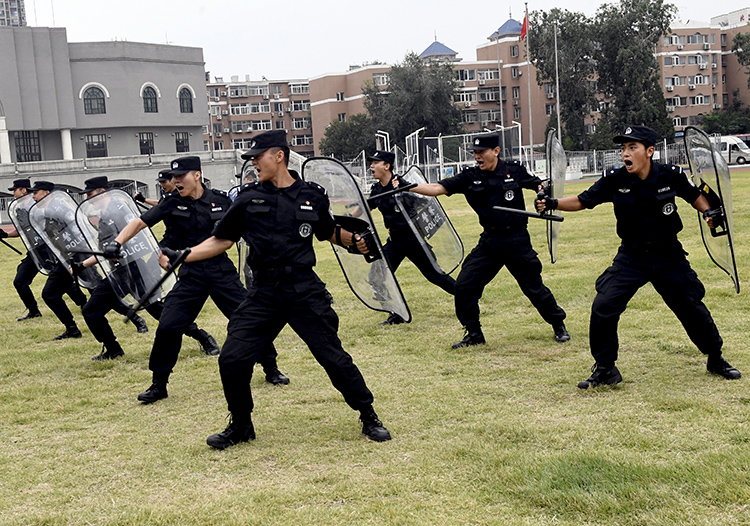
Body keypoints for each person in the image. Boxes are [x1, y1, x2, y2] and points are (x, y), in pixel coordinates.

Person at [172, 130, 391, 449]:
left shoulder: (312, 194)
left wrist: (355, 242)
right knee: (232, 359)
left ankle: (368, 414)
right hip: (264, 292)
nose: (253, 163)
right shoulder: (247, 198)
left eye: (258, 157)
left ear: (278, 156)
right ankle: (242, 425)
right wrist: (185, 254)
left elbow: (327, 231)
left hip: (303, 289)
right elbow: (222, 239)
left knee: (333, 358)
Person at [534, 125, 741, 388]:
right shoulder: (615, 179)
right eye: (623, 149)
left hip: (668, 255)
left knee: (690, 306)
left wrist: (708, 214)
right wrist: (551, 203)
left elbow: (696, 196)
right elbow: (583, 201)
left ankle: (715, 357)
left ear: (649, 151)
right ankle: (606, 369)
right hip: (631, 256)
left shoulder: (670, 175)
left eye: (632, 147)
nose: (625, 153)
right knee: (603, 306)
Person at [108, 156, 289, 403]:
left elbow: (240, 233)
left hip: (220, 272)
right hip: (191, 276)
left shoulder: (221, 202)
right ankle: (158, 384)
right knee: (169, 325)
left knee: (248, 321)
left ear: (197, 175)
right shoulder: (171, 203)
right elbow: (141, 222)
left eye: (181, 176)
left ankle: (271, 368)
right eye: (174, 177)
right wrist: (119, 243)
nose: (176, 181)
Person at [408, 133, 570, 349]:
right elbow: (437, 189)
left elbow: (540, 185)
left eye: (481, 152)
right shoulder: (468, 177)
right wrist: (406, 185)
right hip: (490, 241)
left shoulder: (514, 171)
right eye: (474, 153)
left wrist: (542, 196)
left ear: (495, 151)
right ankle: (474, 334)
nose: (477, 157)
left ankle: (558, 324)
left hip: (516, 239)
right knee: (465, 286)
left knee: (533, 287)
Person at [366, 150, 456, 325]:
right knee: (377, 277)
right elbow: (364, 209)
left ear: (386, 166)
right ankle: (397, 313)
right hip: (395, 242)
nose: (371, 166)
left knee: (435, 276)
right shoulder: (377, 189)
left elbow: (421, 202)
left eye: (375, 162)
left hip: (414, 240)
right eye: (371, 162)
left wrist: (405, 189)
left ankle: (466, 296)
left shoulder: (402, 184)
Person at [29, 181, 88, 340]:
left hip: (79, 255)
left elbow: (77, 229)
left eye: (36, 192)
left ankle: (136, 318)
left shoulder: (60, 209)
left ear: (46, 193)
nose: (33, 196)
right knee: (50, 294)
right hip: (65, 259)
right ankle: (72, 329)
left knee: (97, 288)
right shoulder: (46, 213)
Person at [2, 179, 43, 321]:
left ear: (23, 190)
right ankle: (34, 311)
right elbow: (21, 230)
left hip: (46, 249)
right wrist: (5, 234)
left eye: (15, 190)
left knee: (62, 281)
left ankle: (82, 303)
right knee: (20, 282)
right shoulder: (19, 210)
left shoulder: (38, 207)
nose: (13, 194)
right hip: (34, 252)